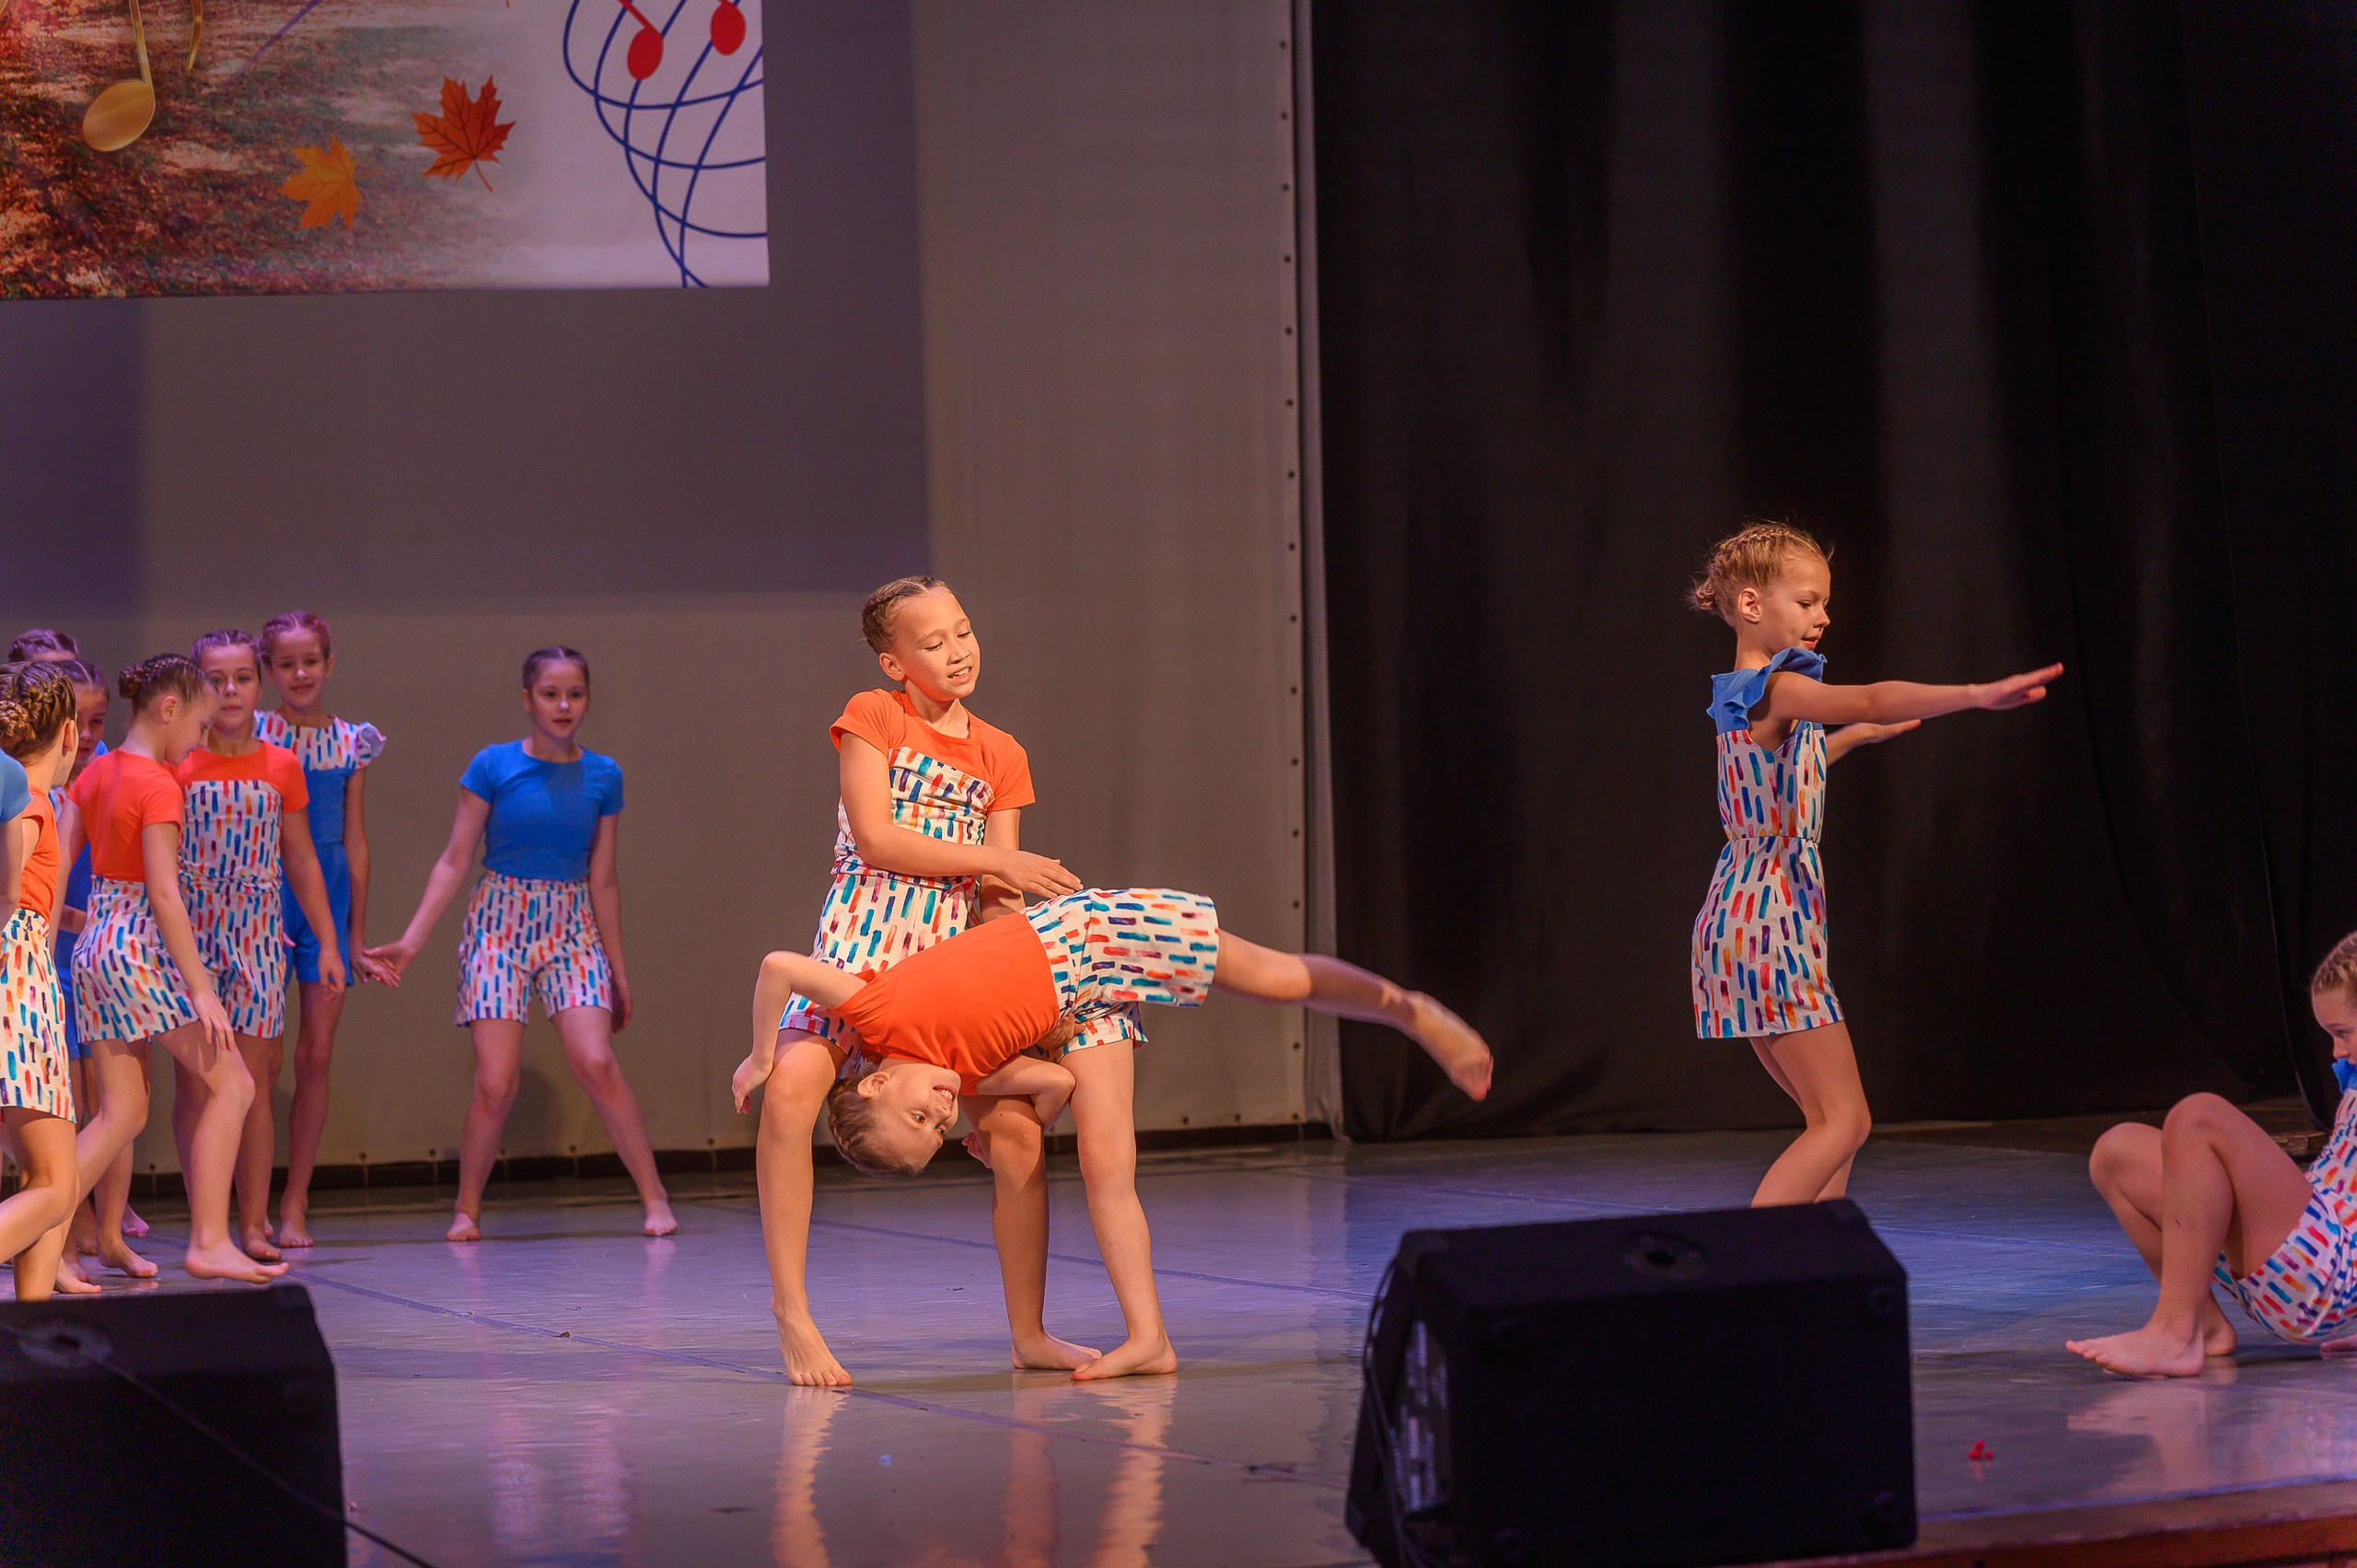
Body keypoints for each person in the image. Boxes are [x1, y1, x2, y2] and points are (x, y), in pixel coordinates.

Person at [732, 886, 1494, 1380]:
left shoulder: (875, 1014)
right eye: (937, 1129)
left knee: (1274, 979)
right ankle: (1149, 1337)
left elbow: (779, 966)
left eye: (919, 1113)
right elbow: (1055, 1081)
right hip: (1088, 1004)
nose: (940, 1109)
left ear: (873, 1079)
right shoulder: (965, 1078)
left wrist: (764, 1055)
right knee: (1107, 1162)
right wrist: (993, 1117)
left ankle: (1405, 1006)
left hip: (1094, 935)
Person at [743, 575, 1088, 1388]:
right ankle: (791, 1310)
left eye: (963, 630)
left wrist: (1018, 987)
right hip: (857, 949)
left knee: (1018, 1134)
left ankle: (1029, 1331)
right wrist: (1002, 859)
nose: (958, 650)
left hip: (943, 977)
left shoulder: (1001, 752)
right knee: (792, 1086)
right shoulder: (874, 716)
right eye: (933, 643)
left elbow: (1002, 898)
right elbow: (878, 836)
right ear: (894, 662)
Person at [1688, 521, 2061, 1205]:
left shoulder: (1740, 693)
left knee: (1830, 1122)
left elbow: (1774, 786)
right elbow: (1864, 694)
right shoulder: (1773, 688)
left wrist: (1850, 741)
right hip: (1771, 921)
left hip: (1741, 914)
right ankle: (1747, 1270)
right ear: (1749, 605)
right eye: (1806, 602)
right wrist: (1974, 694)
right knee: (1848, 1119)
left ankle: (1822, 1270)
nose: (1823, 616)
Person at [368, 646, 674, 1241]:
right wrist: (411, 940)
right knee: (495, 1081)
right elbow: (455, 860)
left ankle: (654, 1194)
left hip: (570, 921)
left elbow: (603, 877)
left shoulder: (603, 775)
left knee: (596, 1060)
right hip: (499, 924)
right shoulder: (493, 765)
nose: (563, 705)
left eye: (575, 694)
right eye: (550, 693)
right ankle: (468, 1206)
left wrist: (618, 968)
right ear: (527, 698)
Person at [58, 655, 284, 1284]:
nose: (201, 739)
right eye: (200, 724)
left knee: (119, 1114)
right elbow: (163, 894)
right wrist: (203, 988)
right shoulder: (159, 784)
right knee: (235, 1084)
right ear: (169, 710)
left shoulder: (97, 772)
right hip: (136, 949)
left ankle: (43, 1236)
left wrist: (40, 941)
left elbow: (60, 866)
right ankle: (210, 1237)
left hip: (95, 949)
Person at [2069, 935, 2357, 1376]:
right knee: (2117, 1151)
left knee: (2198, 1118)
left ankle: (2174, 1333)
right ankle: (2204, 1327)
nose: (2336, 1051)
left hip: (2326, 1273)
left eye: (2342, 1033)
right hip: (2304, 1254)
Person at [177, 630, 347, 1260]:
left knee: (250, 1080)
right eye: (216, 678)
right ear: (197, 684)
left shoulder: (281, 763)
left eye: (242, 677)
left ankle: (252, 1222)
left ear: (258, 683)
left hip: (256, 932)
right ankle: (207, 1224)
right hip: (191, 933)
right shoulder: (181, 760)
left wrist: (328, 941)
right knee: (198, 1085)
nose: (230, 690)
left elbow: (300, 857)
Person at [253, 610, 384, 1248]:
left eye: (310, 660)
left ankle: (295, 1200)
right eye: (285, 663)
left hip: (325, 889)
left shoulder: (351, 740)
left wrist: (353, 931)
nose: (300, 673)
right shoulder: (256, 730)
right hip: (264, 888)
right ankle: (248, 1200)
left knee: (316, 1054)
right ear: (267, 670)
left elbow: (355, 842)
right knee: (264, 1055)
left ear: (329, 664)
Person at [0, 662, 82, 1299]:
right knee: (56, 1183)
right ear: (71, 735)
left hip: (26, 987)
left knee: (49, 1175)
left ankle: (28, 1338)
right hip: (17, 991)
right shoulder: (28, 807)